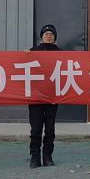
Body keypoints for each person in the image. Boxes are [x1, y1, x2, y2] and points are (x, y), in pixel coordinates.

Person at [29, 24, 60, 168]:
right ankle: (34, 157)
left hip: (52, 97)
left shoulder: (62, 53)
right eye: (46, 33)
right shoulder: (32, 52)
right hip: (35, 97)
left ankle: (47, 156)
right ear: (41, 37)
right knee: (35, 129)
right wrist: (23, 55)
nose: (48, 36)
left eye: (51, 34)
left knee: (50, 129)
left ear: (55, 37)